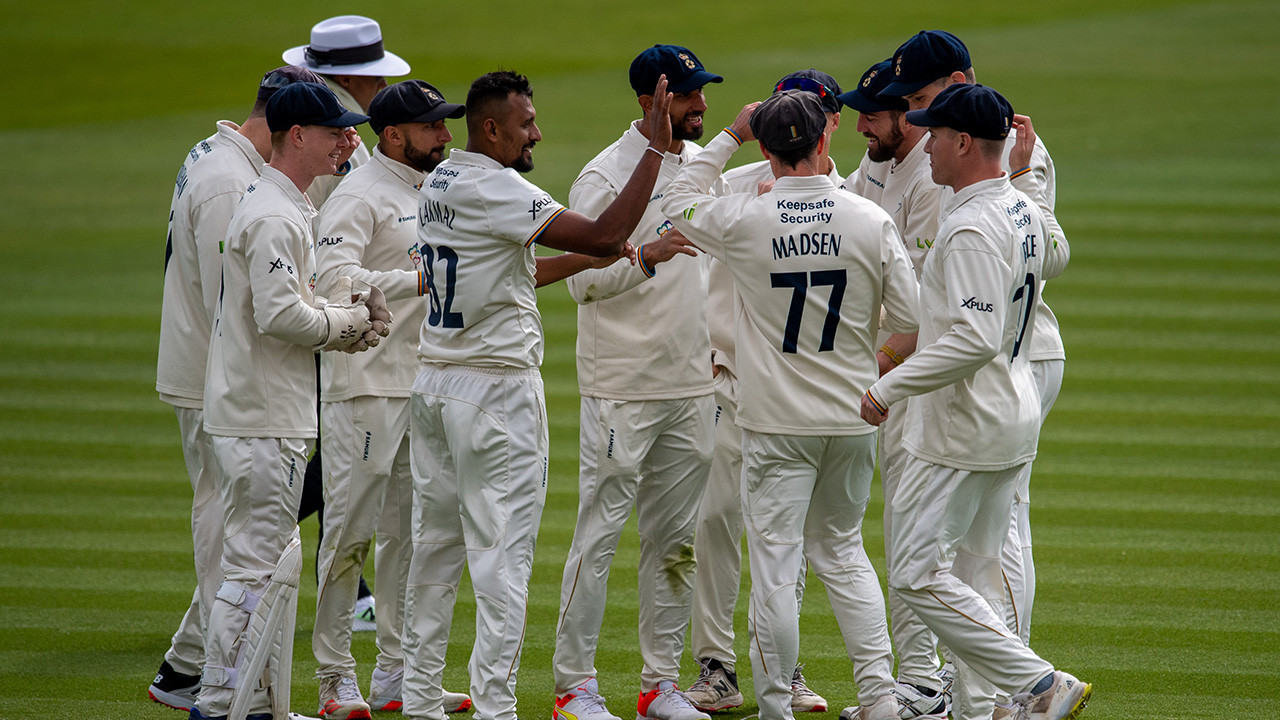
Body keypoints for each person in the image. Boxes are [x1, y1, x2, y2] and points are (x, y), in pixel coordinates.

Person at [400, 70, 679, 720]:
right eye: (526, 123)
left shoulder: (441, 180)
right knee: (504, 561)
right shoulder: (497, 187)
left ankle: (418, 703)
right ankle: (496, 710)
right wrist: (656, 150)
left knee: (435, 551)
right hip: (495, 394)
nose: (538, 133)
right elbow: (606, 232)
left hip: (436, 385)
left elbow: (517, 271)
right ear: (492, 128)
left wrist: (609, 260)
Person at [660, 90, 919, 720]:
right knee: (843, 553)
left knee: (776, 564)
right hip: (853, 417)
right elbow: (912, 326)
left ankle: (775, 706)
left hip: (774, 423)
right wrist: (872, 378)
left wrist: (729, 134)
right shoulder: (868, 218)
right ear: (825, 143)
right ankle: (882, 699)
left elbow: (674, 202)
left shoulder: (743, 219)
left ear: (769, 152)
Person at [858, 83, 1085, 720]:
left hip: (965, 426)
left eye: (933, 134)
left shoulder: (967, 226)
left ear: (963, 143)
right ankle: (983, 709)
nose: (924, 144)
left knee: (913, 572)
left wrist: (887, 387)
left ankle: (1038, 681)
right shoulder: (1022, 211)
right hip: (1012, 413)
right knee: (980, 569)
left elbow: (973, 340)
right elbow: (1058, 254)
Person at [193, 81, 388, 720]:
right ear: (297, 136)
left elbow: (289, 306)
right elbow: (280, 317)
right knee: (252, 569)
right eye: (336, 132)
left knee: (262, 564)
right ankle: (224, 701)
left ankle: (257, 700)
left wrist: (342, 316)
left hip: (258, 410)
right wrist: (349, 327)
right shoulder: (276, 213)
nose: (348, 141)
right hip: (262, 415)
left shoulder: (283, 204)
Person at [149, 64, 332, 713]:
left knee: (242, 538)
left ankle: (201, 672)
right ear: (290, 124)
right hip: (218, 385)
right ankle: (209, 681)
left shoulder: (217, 155)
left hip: (215, 379)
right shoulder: (230, 180)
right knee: (234, 542)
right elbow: (235, 299)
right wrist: (334, 323)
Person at [552, 44, 721, 720]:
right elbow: (583, 283)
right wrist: (644, 256)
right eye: (686, 94)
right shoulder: (606, 175)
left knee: (676, 545)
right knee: (598, 539)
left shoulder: (699, 171)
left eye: (701, 91)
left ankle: (659, 686)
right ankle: (573, 688)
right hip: (622, 387)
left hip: (691, 387)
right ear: (652, 99)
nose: (699, 104)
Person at [684, 68, 846, 716]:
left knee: (788, 538)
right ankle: (718, 669)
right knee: (718, 524)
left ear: (830, 121)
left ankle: (786, 669)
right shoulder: (733, 190)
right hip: (728, 381)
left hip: (800, 395)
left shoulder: (849, 196)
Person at [311, 81, 471, 720]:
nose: (447, 136)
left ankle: (397, 675)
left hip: (425, 382)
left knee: (412, 533)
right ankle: (333, 678)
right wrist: (418, 280)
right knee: (349, 533)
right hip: (366, 386)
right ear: (395, 135)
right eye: (434, 127)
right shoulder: (358, 196)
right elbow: (331, 282)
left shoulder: (435, 188)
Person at [285, 13, 410, 629]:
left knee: (358, 483)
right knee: (344, 475)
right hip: (335, 327)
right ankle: (259, 542)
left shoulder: (339, 131)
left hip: (359, 335)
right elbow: (331, 256)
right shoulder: (335, 139)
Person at [835, 59, 949, 720]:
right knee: (902, 527)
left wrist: (873, 372)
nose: (859, 125)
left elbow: (922, 308)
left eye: (871, 114)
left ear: (904, 115)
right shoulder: (876, 164)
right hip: (888, 374)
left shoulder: (930, 177)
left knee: (914, 533)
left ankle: (924, 684)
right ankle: (927, 682)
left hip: (915, 379)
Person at [284, 14, 411, 205]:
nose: (383, 85)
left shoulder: (292, 115)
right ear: (345, 79)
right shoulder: (340, 140)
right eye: (376, 78)